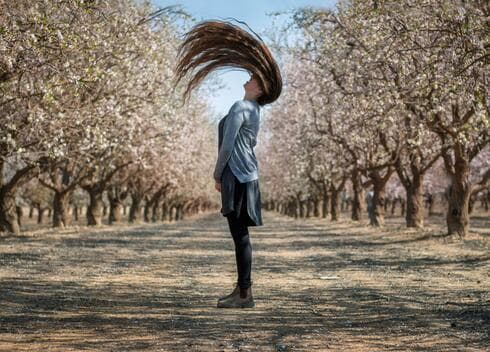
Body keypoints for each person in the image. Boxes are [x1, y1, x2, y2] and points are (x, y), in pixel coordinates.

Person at [173, 20, 282, 308]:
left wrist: (217, 174)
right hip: (250, 174)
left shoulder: (240, 106)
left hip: (236, 173)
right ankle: (243, 291)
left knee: (239, 235)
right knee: (241, 235)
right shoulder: (255, 110)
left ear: (260, 88)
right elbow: (250, 143)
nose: (247, 78)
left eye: (253, 77)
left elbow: (228, 146)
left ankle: (244, 294)